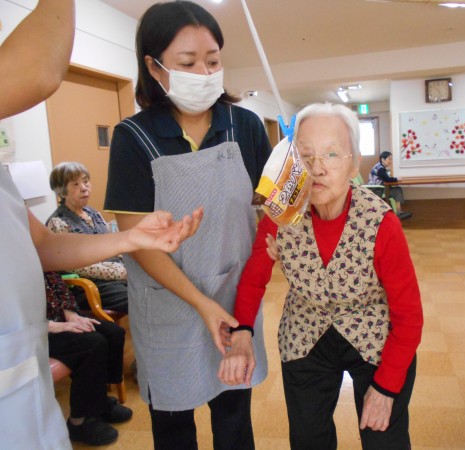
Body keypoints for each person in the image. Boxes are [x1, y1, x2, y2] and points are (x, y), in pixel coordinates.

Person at [0, 3, 206, 448]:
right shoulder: (133, 137)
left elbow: (42, 246)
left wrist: (129, 238)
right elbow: (39, 71)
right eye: (189, 62)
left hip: (26, 389)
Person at [103, 2, 271, 449]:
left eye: (213, 61)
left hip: (233, 297)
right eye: (188, 63)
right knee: (173, 425)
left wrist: (295, 178)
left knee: (234, 419)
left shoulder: (245, 126)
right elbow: (139, 243)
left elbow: (270, 207)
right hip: (168, 304)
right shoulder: (134, 137)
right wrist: (200, 303)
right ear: (154, 67)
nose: (204, 73)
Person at [219, 103, 423, 450]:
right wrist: (241, 332)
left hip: (373, 332)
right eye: (306, 155)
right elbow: (254, 277)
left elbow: (410, 316)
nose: (317, 168)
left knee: (384, 439)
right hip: (305, 329)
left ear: (354, 164)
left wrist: (387, 387)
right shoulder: (282, 211)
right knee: (308, 439)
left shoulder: (381, 223)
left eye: (332, 154)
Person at [45, 271, 132, 446]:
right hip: (35, 334)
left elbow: (59, 288)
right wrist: (57, 326)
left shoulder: (39, 262)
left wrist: (72, 316)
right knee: (92, 344)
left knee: (113, 332)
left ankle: (99, 401)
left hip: (59, 321)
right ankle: (79, 422)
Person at [47, 162, 128, 313]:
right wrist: (120, 272)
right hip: (93, 285)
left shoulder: (93, 213)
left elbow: (110, 245)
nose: (84, 188)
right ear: (61, 190)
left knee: (152, 289)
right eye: (75, 184)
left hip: (118, 277)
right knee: (141, 300)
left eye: (86, 181)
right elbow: (75, 265)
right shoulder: (58, 222)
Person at [368, 151, 412, 220]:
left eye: (391, 159)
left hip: (379, 188)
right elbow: (387, 179)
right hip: (377, 190)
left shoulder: (379, 166)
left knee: (397, 189)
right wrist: (397, 178)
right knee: (397, 190)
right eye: (389, 159)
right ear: (383, 159)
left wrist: (395, 179)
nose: (391, 161)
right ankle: (398, 213)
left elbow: (386, 179)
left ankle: (398, 211)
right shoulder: (380, 169)